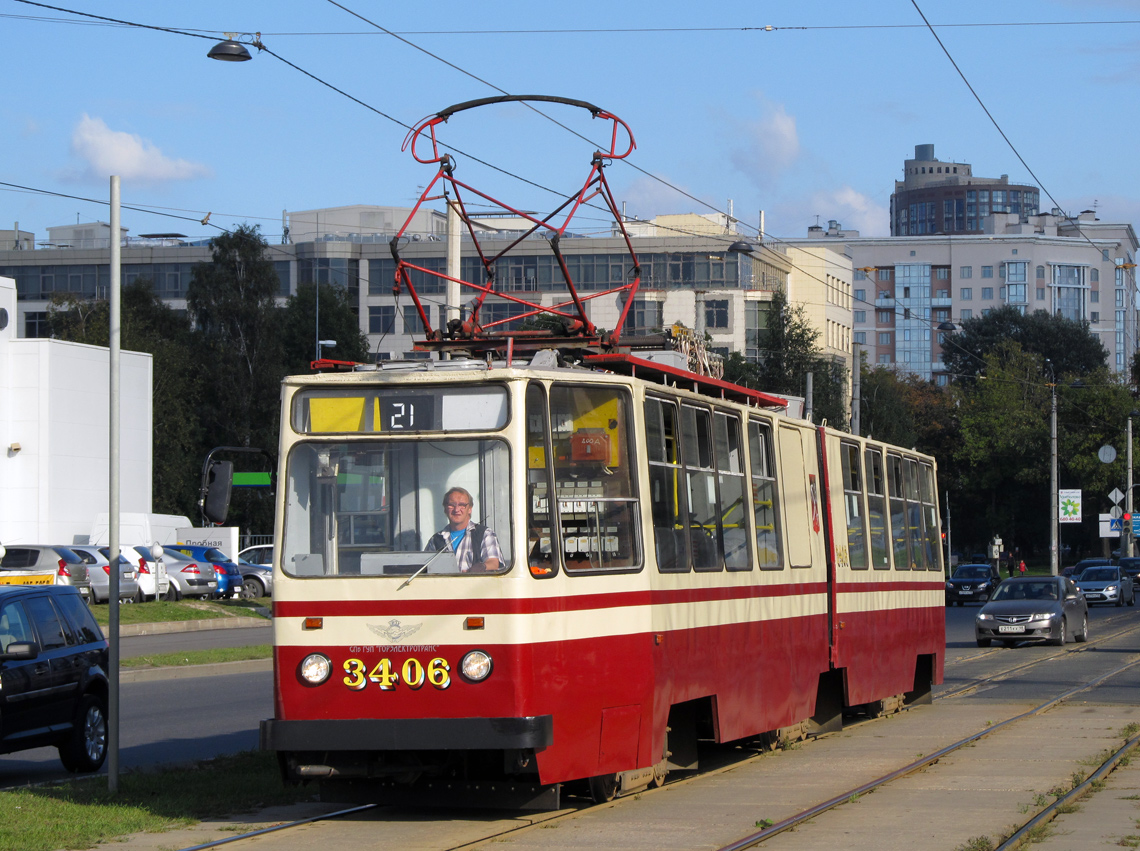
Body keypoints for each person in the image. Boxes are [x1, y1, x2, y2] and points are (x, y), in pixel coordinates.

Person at [426, 486, 503, 572]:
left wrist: (482, 567)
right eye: (451, 505)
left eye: (462, 505)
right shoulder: (436, 539)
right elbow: (426, 568)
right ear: (445, 509)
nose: (456, 509)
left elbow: (493, 562)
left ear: (469, 509)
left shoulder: (485, 534)